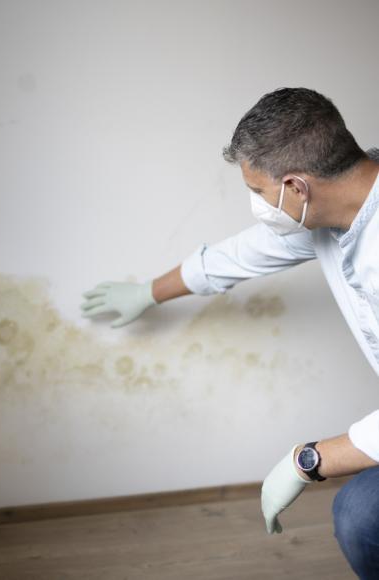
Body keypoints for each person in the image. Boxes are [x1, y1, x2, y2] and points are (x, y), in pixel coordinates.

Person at [80, 87, 379, 578]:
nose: (257, 204)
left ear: (296, 187)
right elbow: (240, 254)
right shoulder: (333, 212)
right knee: (363, 512)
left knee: (360, 514)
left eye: (259, 192)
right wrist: (147, 293)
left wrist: (308, 460)